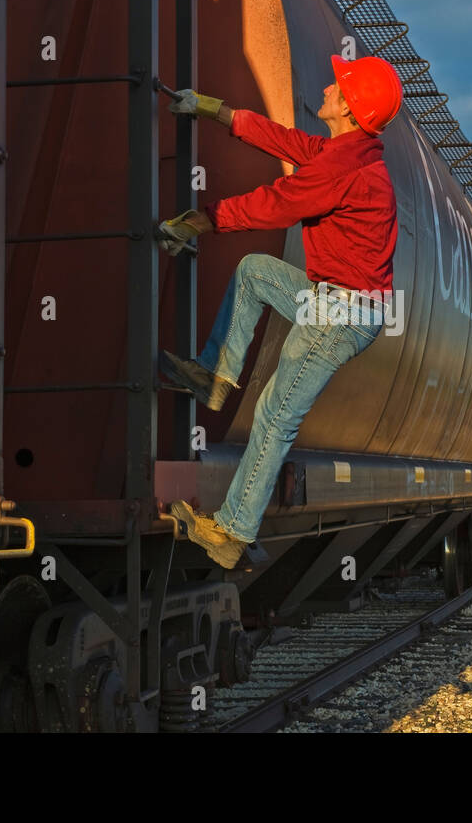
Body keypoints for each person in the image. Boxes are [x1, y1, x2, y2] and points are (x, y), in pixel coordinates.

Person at [157, 54, 404, 568]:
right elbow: (286, 143)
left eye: (340, 87)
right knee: (254, 272)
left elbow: (278, 202)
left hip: (338, 313)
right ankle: (215, 377)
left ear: (352, 109)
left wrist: (204, 221)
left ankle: (232, 532)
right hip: (337, 303)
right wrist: (217, 111)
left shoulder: (344, 167)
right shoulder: (346, 153)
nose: (330, 87)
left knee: (274, 416)